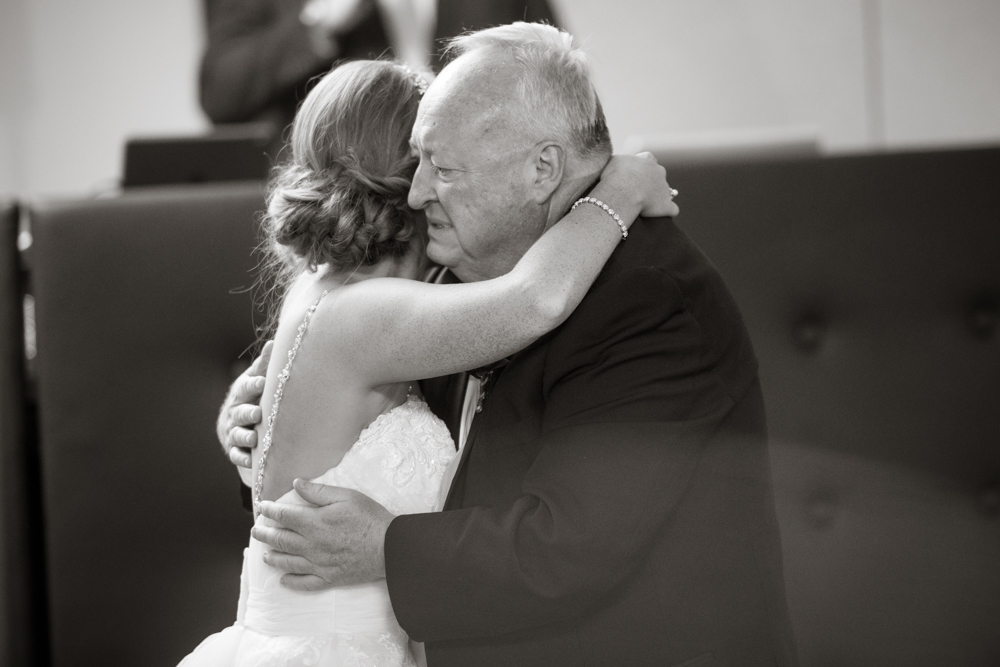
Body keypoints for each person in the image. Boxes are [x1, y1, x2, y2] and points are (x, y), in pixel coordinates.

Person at [222, 22, 800, 667]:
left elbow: (567, 549)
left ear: (542, 168)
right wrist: (256, 421)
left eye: (442, 169)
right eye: (416, 165)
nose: (417, 196)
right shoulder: (441, 273)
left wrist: (383, 546)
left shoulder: (644, 298)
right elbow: (320, 397)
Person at [183, 57, 675, 666]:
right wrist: (619, 189)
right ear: (412, 172)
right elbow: (538, 299)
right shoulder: (370, 314)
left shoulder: (329, 291)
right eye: (436, 158)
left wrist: (243, 420)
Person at [200, 0, 559, 157]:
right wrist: (319, 19)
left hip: (482, 188)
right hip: (347, 208)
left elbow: (556, 72)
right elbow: (219, 91)